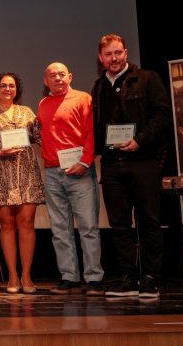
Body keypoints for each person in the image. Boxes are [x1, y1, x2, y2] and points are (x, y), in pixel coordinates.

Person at [91, 33, 172, 298]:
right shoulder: (98, 86)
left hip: (144, 160)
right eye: (108, 54)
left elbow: (162, 116)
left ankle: (151, 278)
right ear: (101, 58)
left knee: (148, 221)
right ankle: (128, 277)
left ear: (126, 53)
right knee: (119, 224)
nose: (113, 58)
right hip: (112, 164)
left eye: (118, 53)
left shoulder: (147, 78)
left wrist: (139, 140)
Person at [0, 72, 44, 294]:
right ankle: (12, 275)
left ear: (16, 90)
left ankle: (27, 276)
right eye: (3, 85)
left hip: (26, 172)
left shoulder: (27, 112)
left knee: (26, 223)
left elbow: (39, 136)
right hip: (0, 173)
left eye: (11, 86)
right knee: (7, 224)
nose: (7, 89)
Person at [38, 62, 104, 296]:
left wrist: (85, 162)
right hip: (52, 172)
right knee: (60, 229)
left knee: (88, 227)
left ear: (70, 76)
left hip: (80, 171)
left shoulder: (83, 98)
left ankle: (94, 278)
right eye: (52, 75)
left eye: (61, 74)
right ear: (46, 81)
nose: (57, 78)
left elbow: (91, 133)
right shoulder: (43, 104)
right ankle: (69, 277)